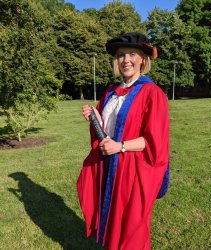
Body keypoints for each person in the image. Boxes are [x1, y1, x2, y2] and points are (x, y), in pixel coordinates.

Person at [77, 32, 170, 250]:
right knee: (111, 221)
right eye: (120, 55)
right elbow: (107, 130)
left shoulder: (152, 93)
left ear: (142, 60)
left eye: (132, 54)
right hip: (110, 166)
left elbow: (154, 141)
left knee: (131, 227)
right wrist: (96, 118)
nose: (126, 60)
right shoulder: (111, 92)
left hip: (133, 169)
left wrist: (121, 146)